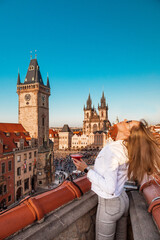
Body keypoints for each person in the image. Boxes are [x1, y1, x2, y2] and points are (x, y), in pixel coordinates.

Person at [73, 119, 160, 240]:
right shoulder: (127, 149)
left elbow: (109, 188)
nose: (124, 120)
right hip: (122, 199)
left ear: (128, 134)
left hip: (110, 204)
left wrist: (86, 169)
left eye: (128, 123)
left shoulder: (112, 150)